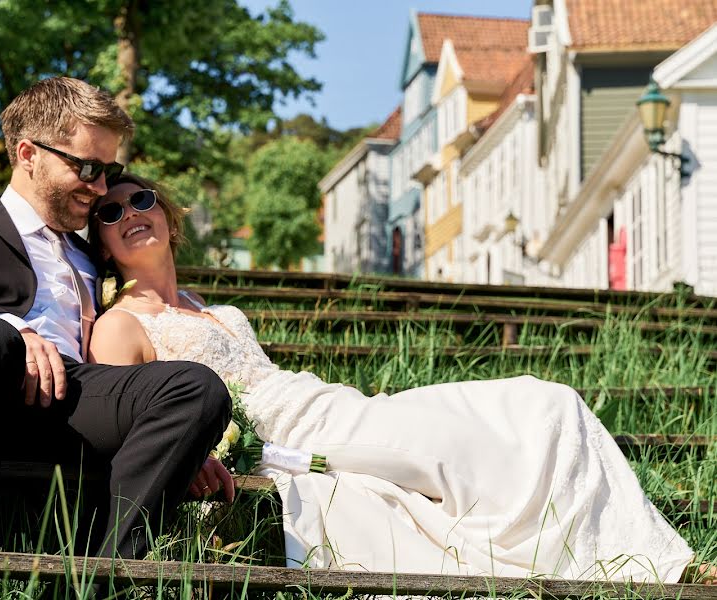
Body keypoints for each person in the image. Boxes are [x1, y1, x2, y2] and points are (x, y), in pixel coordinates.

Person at [87, 173, 712, 584]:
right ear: (103, 243)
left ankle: (644, 559)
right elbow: (130, 420)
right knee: (538, 409)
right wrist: (199, 452)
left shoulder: (212, 308)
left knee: (545, 402)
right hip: (289, 435)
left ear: (166, 213)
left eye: (141, 200)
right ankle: (654, 571)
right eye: (111, 213)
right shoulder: (120, 326)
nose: (129, 214)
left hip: (330, 403)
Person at [0, 78, 232, 584]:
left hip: (69, 396)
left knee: (196, 388)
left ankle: (105, 580)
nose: (101, 186)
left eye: (109, 171)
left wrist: (185, 444)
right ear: (27, 153)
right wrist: (12, 329)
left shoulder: (90, 254)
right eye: (86, 168)